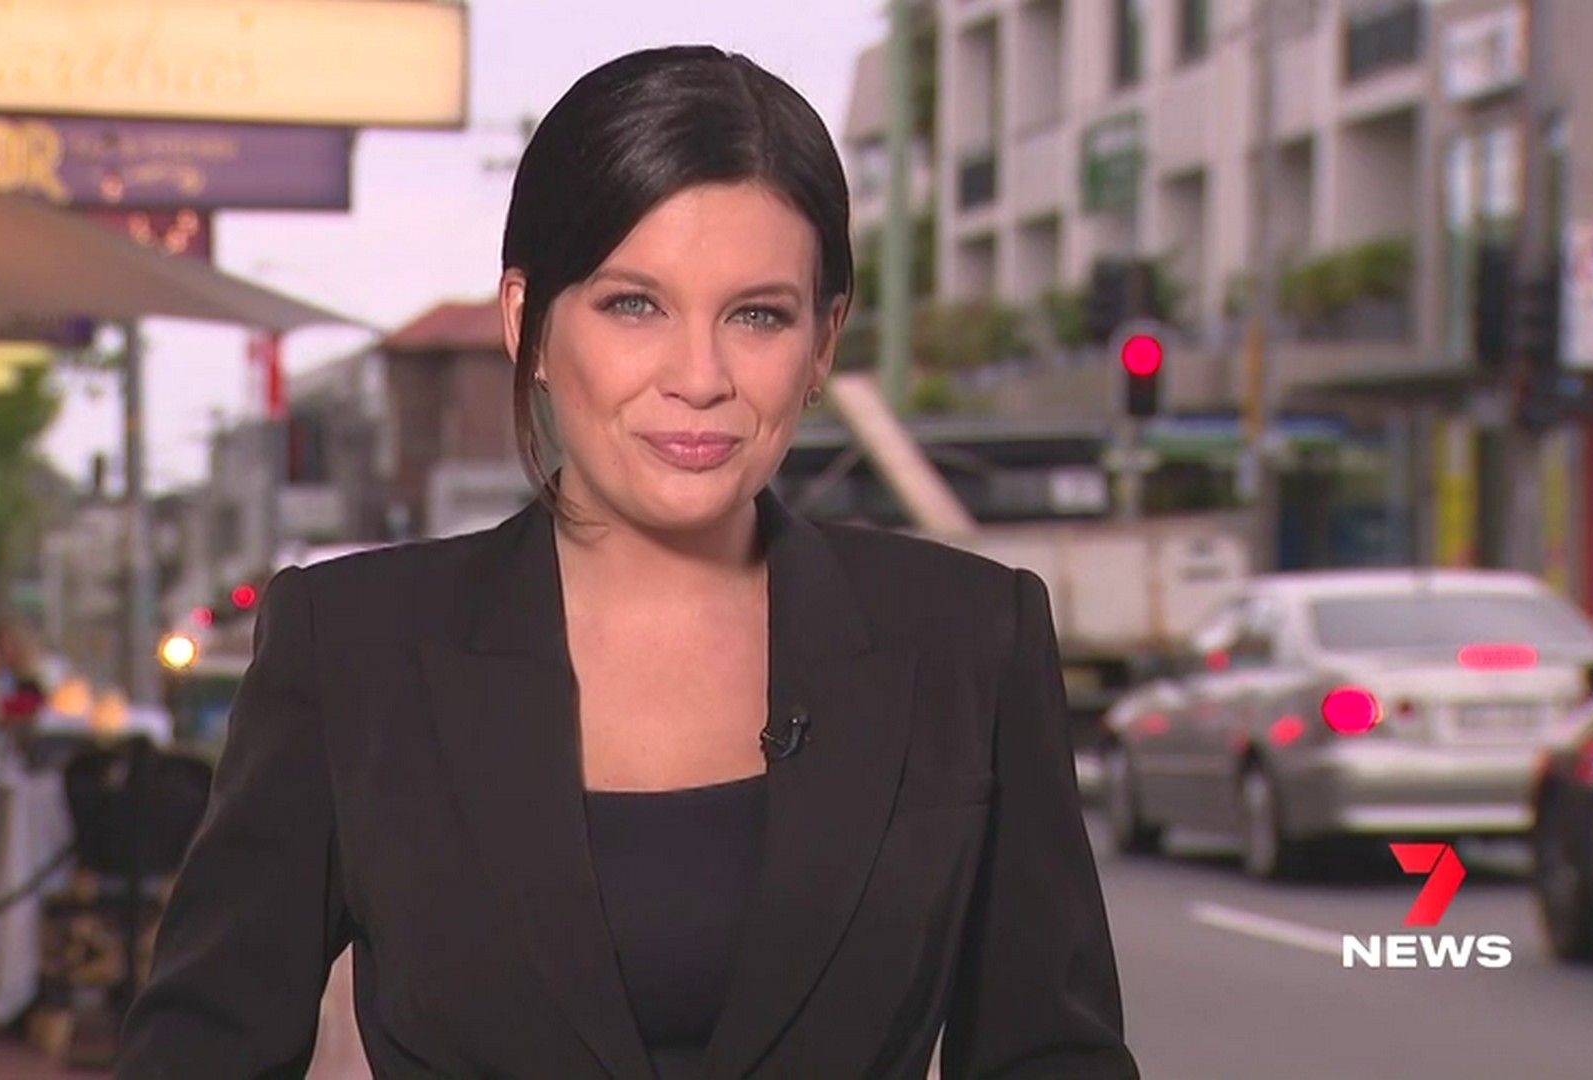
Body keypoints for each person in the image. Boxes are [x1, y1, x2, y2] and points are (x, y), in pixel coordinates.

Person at [119, 46, 1136, 1079]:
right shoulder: (352, 649)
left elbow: (1054, 1059)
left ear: (823, 342)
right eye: (634, 305)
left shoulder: (970, 639)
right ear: (528, 325)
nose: (699, 377)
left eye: (757, 315)